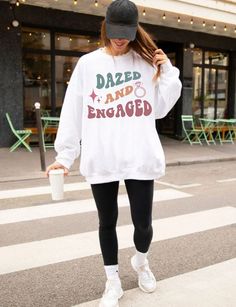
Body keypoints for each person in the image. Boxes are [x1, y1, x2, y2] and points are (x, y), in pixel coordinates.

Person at [46, 0, 182, 306]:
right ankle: (112, 280)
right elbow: (73, 111)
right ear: (105, 27)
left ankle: (141, 262)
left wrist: (167, 71)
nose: (120, 39)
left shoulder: (145, 63)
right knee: (106, 222)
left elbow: (159, 109)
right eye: (115, 31)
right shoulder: (88, 64)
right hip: (102, 156)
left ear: (135, 31)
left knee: (143, 224)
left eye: (127, 33)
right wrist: (65, 155)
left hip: (139, 156)